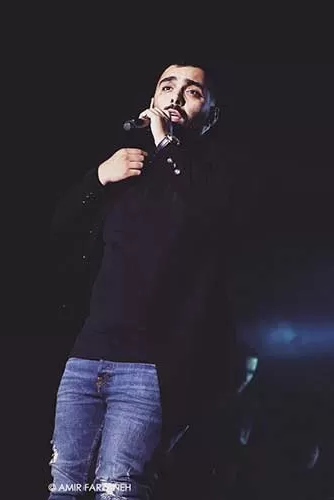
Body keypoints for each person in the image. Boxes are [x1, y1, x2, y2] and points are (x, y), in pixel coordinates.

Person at [47, 61, 249, 499]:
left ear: (210, 114)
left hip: (150, 367)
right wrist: (98, 177)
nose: (175, 97)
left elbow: (205, 218)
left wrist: (165, 141)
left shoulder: (215, 176)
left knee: (117, 488)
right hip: (86, 356)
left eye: (192, 91)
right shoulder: (126, 169)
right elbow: (56, 231)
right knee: (64, 488)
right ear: (152, 99)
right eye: (166, 87)